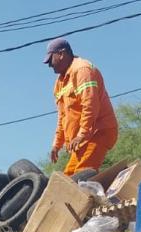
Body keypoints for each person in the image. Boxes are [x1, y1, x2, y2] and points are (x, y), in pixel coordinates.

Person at [44, 38, 119, 176]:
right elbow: (63, 117)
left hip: (98, 131)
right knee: (66, 178)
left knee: (81, 176)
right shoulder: (60, 83)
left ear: (61, 54)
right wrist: (57, 144)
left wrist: (82, 135)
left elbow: (90, 104)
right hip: (81, 139)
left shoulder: (82, 70)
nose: (49, 65)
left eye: (50, 59)